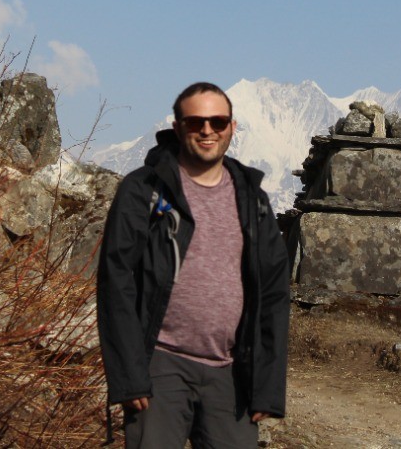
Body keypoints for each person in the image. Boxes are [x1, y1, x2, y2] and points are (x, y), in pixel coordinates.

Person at [97, 82, 290, 448]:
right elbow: (115, 282)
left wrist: (266, 384)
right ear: (177, 127)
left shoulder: (253, 198)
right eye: (195, 122)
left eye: (218, 122)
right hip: (159, 366)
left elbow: (274, 291)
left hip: (230, 373)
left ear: (232, 128)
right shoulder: (143, 190)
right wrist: (128, 375)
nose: (207, 130)